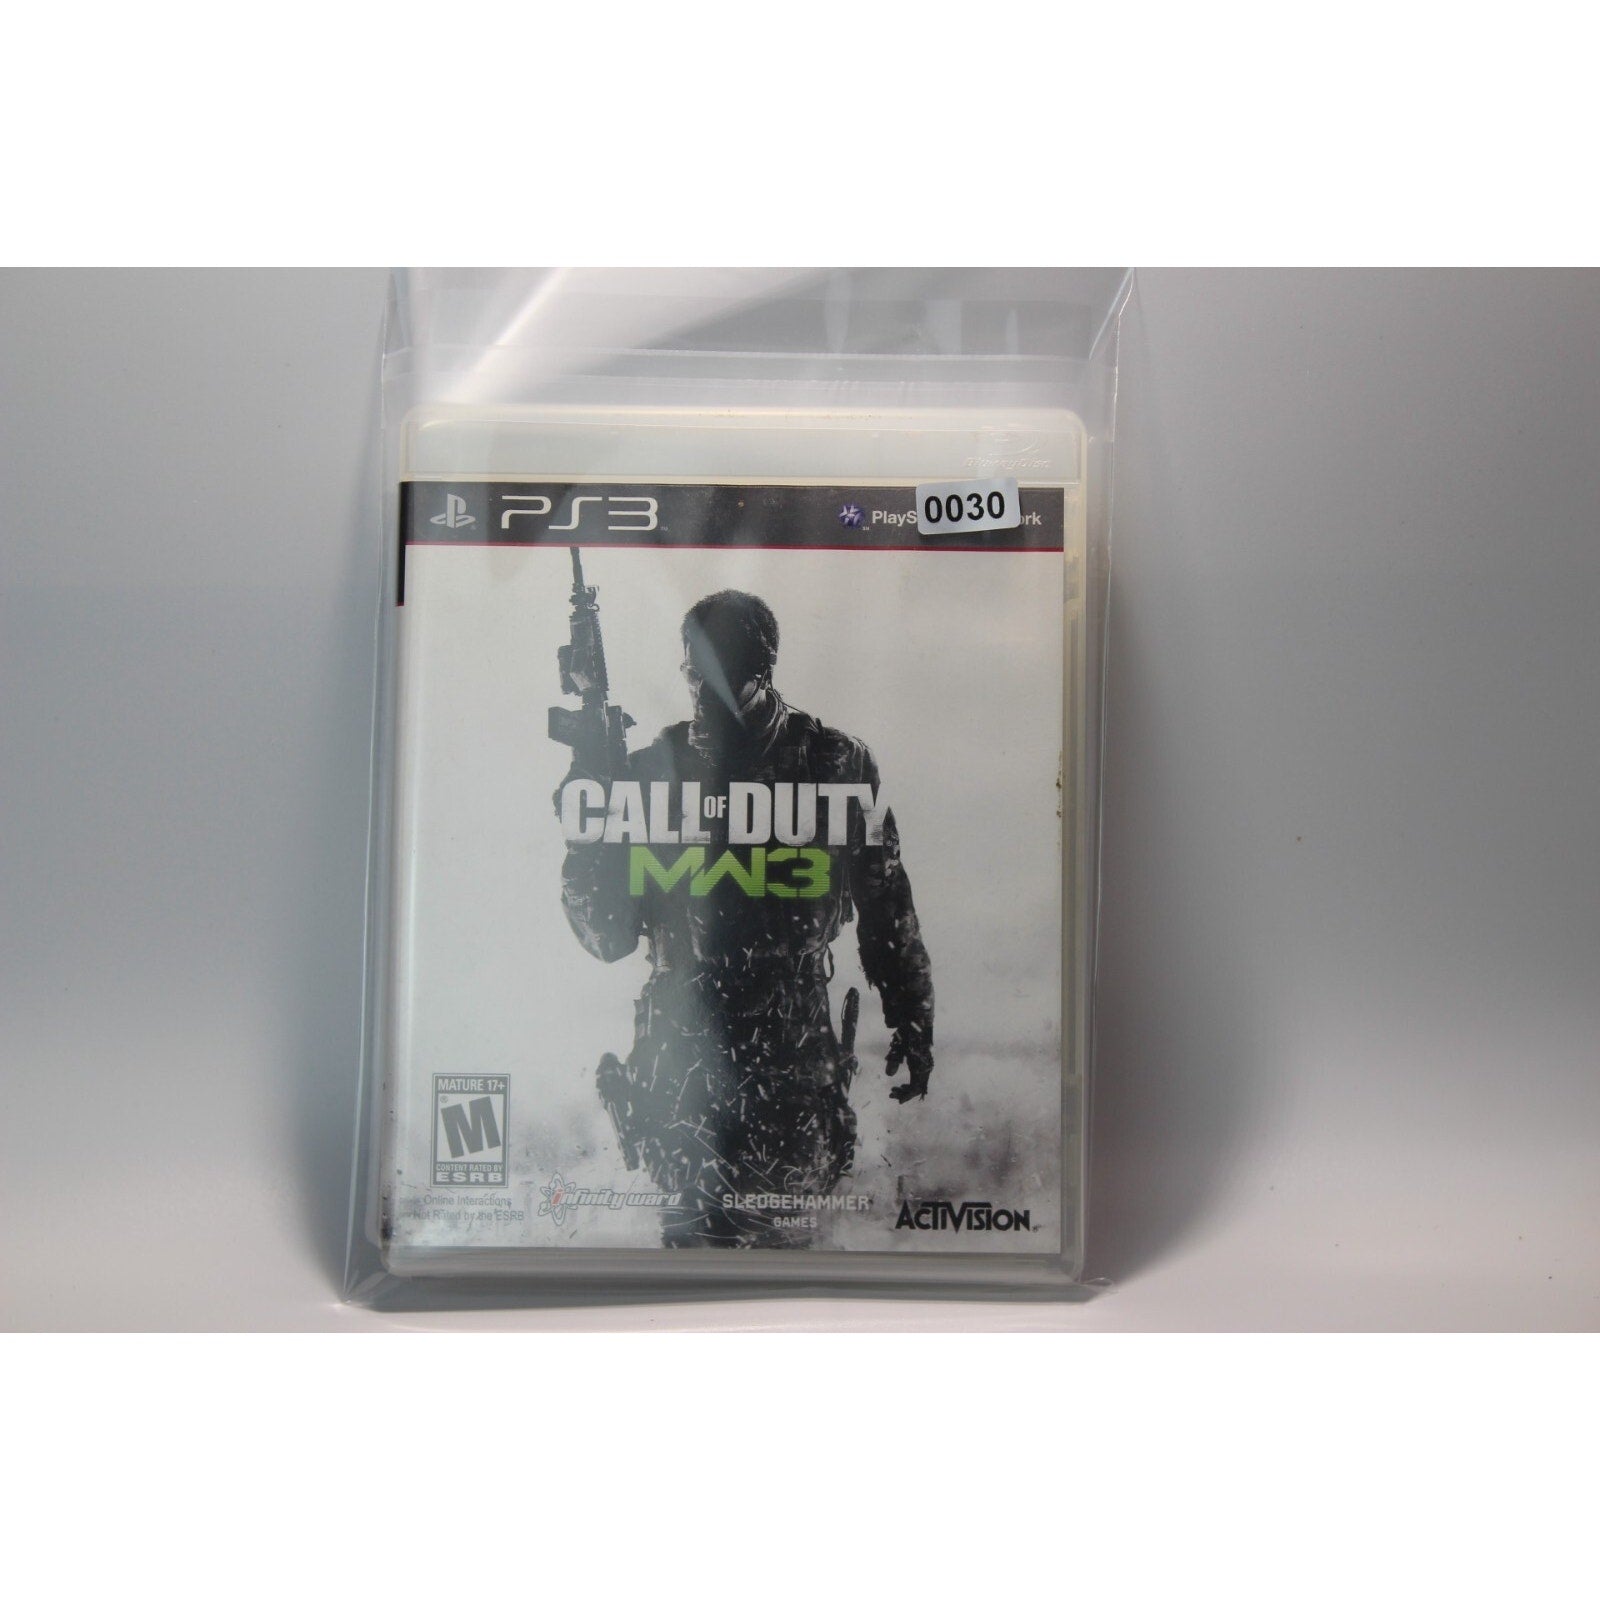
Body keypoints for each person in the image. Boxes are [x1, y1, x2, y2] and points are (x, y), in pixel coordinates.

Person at [558, 589, 934, 1247]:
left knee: (787, 1252)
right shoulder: (649, 774)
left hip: (791, 1068)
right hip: (682, 1070)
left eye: (722, 676)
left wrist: (911, 1015)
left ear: (762, 671)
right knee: (691, 1259)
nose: (703, 693)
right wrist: (589, 803)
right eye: (693, 674)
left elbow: (887, 902)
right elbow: (606, 936)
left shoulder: (836, 764)